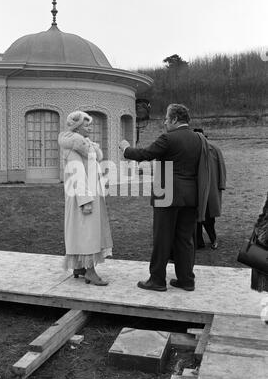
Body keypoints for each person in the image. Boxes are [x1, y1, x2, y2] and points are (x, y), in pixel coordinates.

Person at [119, 103, 210, 292]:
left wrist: (126, 149)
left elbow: (145, 154)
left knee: (162, 237)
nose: (165, 123)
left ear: (175, 119)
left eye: (167, 119)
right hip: (191, 195)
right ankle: (187, 280)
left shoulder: (168, 138)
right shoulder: (198, 139)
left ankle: (157, 280)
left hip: (167, 193)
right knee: (185, 239)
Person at [58, 111, 113, 286]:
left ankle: (80, 266)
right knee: (86, 232)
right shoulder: (74, 146)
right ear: (77, 127)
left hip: (90, 193)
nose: (90, 127)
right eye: (86, 124)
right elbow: (78, 175)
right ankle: (89, 271)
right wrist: (85, 201)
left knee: (82, 231)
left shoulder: (86, 145)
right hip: (82, 197)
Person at [193, 128, 226, 250]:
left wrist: (221, 184)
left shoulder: (214, 149)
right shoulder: (192, 149)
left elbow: (221, 167)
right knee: (196, 218)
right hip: (196, 189)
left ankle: (213, 239)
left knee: (209, 218)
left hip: (210, 189)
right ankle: (198, 242)